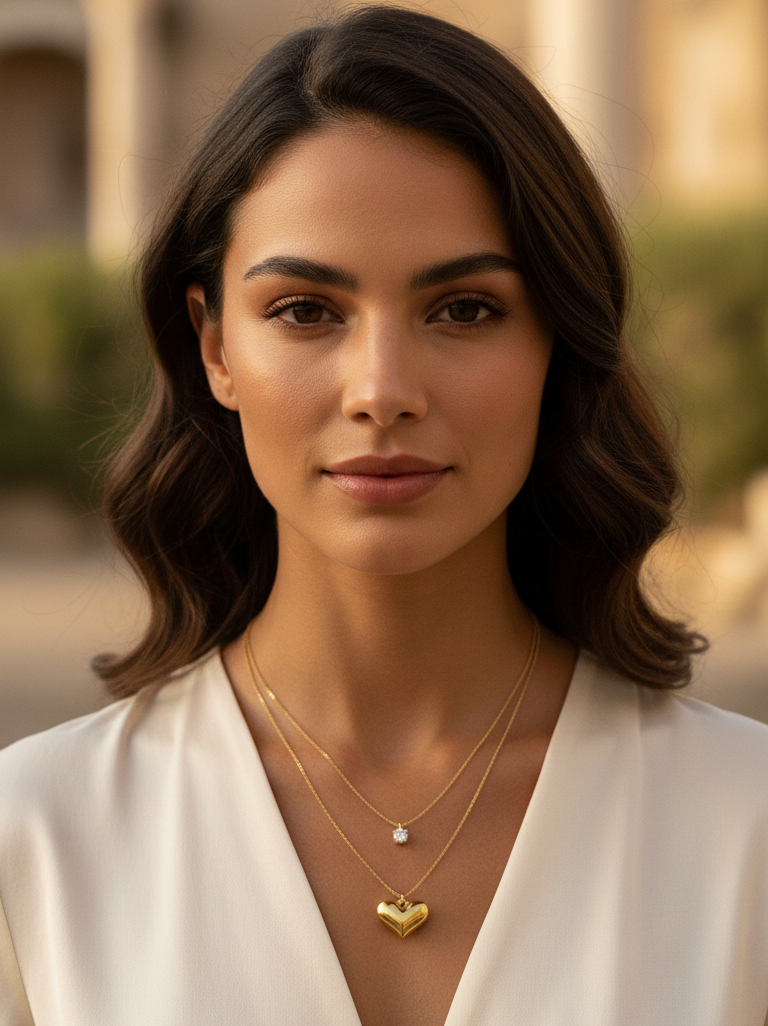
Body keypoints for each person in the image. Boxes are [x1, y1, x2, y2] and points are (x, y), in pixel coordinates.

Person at [1, 6, 767, 1025]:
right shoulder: (36, 839)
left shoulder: (744, 825)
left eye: (465, 310)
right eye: (306, 312)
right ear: (214, 347)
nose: (382, 389)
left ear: (557, 342)